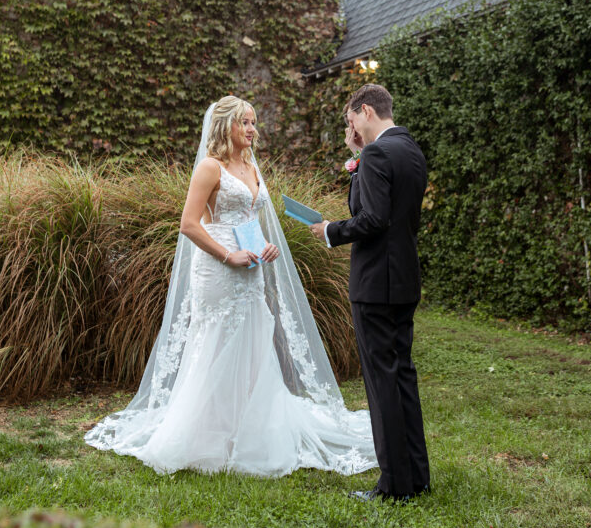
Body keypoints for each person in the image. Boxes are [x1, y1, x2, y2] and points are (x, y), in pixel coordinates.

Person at [85, 95, 377, 478]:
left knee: (254, 340)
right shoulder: (210, 167)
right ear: (226, 126)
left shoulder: (251, 165)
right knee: (217, 342)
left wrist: (266, 246)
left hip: (251, 265)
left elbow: (250, 216)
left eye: (254, 122)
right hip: (218, 267)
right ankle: (208, 432)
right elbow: (189, 224)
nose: (253, 129)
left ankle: (248, 425)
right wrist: (228, 256)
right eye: (245, 122)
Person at [310, 83, 430, 504]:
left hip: (376, 283)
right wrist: (358, 160)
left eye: (351, 121)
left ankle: (394, 485)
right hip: (404, 280)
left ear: (365, 111)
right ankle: (416, 476)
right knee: (402, 376)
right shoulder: (411, 149)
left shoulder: (378, 153)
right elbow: (391, 212)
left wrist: (330, 230)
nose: (352, 129)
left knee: (382, 383)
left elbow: (373, 218)